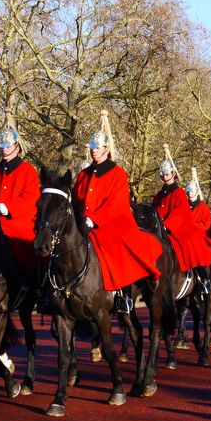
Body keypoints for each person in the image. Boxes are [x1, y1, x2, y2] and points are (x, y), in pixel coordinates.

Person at [73, 110, 162, 314]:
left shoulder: (117, 173)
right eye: (92, 148)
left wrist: (93, 219)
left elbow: (116, 204)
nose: (94, 151)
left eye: (98, 148)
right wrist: (79, 216)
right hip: (84, 223)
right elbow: (77, 198)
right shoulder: (83, 174)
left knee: (116, 246)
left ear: (107, 149)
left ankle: (123, 295)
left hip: (109, 223)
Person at [0, 110, 40, 283]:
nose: (4, 150)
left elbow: (30, 198)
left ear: (17, 147)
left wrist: (9, 208)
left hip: (17, 223)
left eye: (8, 146)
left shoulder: (27, 170)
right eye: (2, 146)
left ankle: (32, 285)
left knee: (30, 252)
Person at [153, 154, 211, 293]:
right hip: (160, 229)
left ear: (173, 174)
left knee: (192, 244)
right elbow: (154, 211)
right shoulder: (159, 195)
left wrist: (165, 225)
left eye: (167, 173)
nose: (164, 176)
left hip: (176, 229)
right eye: (162, 174)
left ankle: (202, 278)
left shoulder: (179, 193)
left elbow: (179, 213)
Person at [186, 167, 211, 243]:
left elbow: (206, 224)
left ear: (196, 192)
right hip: (185, 235)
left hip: (199, 237)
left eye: (192, 191)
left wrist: (192, 227)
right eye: (188, 191)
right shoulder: (183, 205)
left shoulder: (204, 207)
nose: (190, 193)